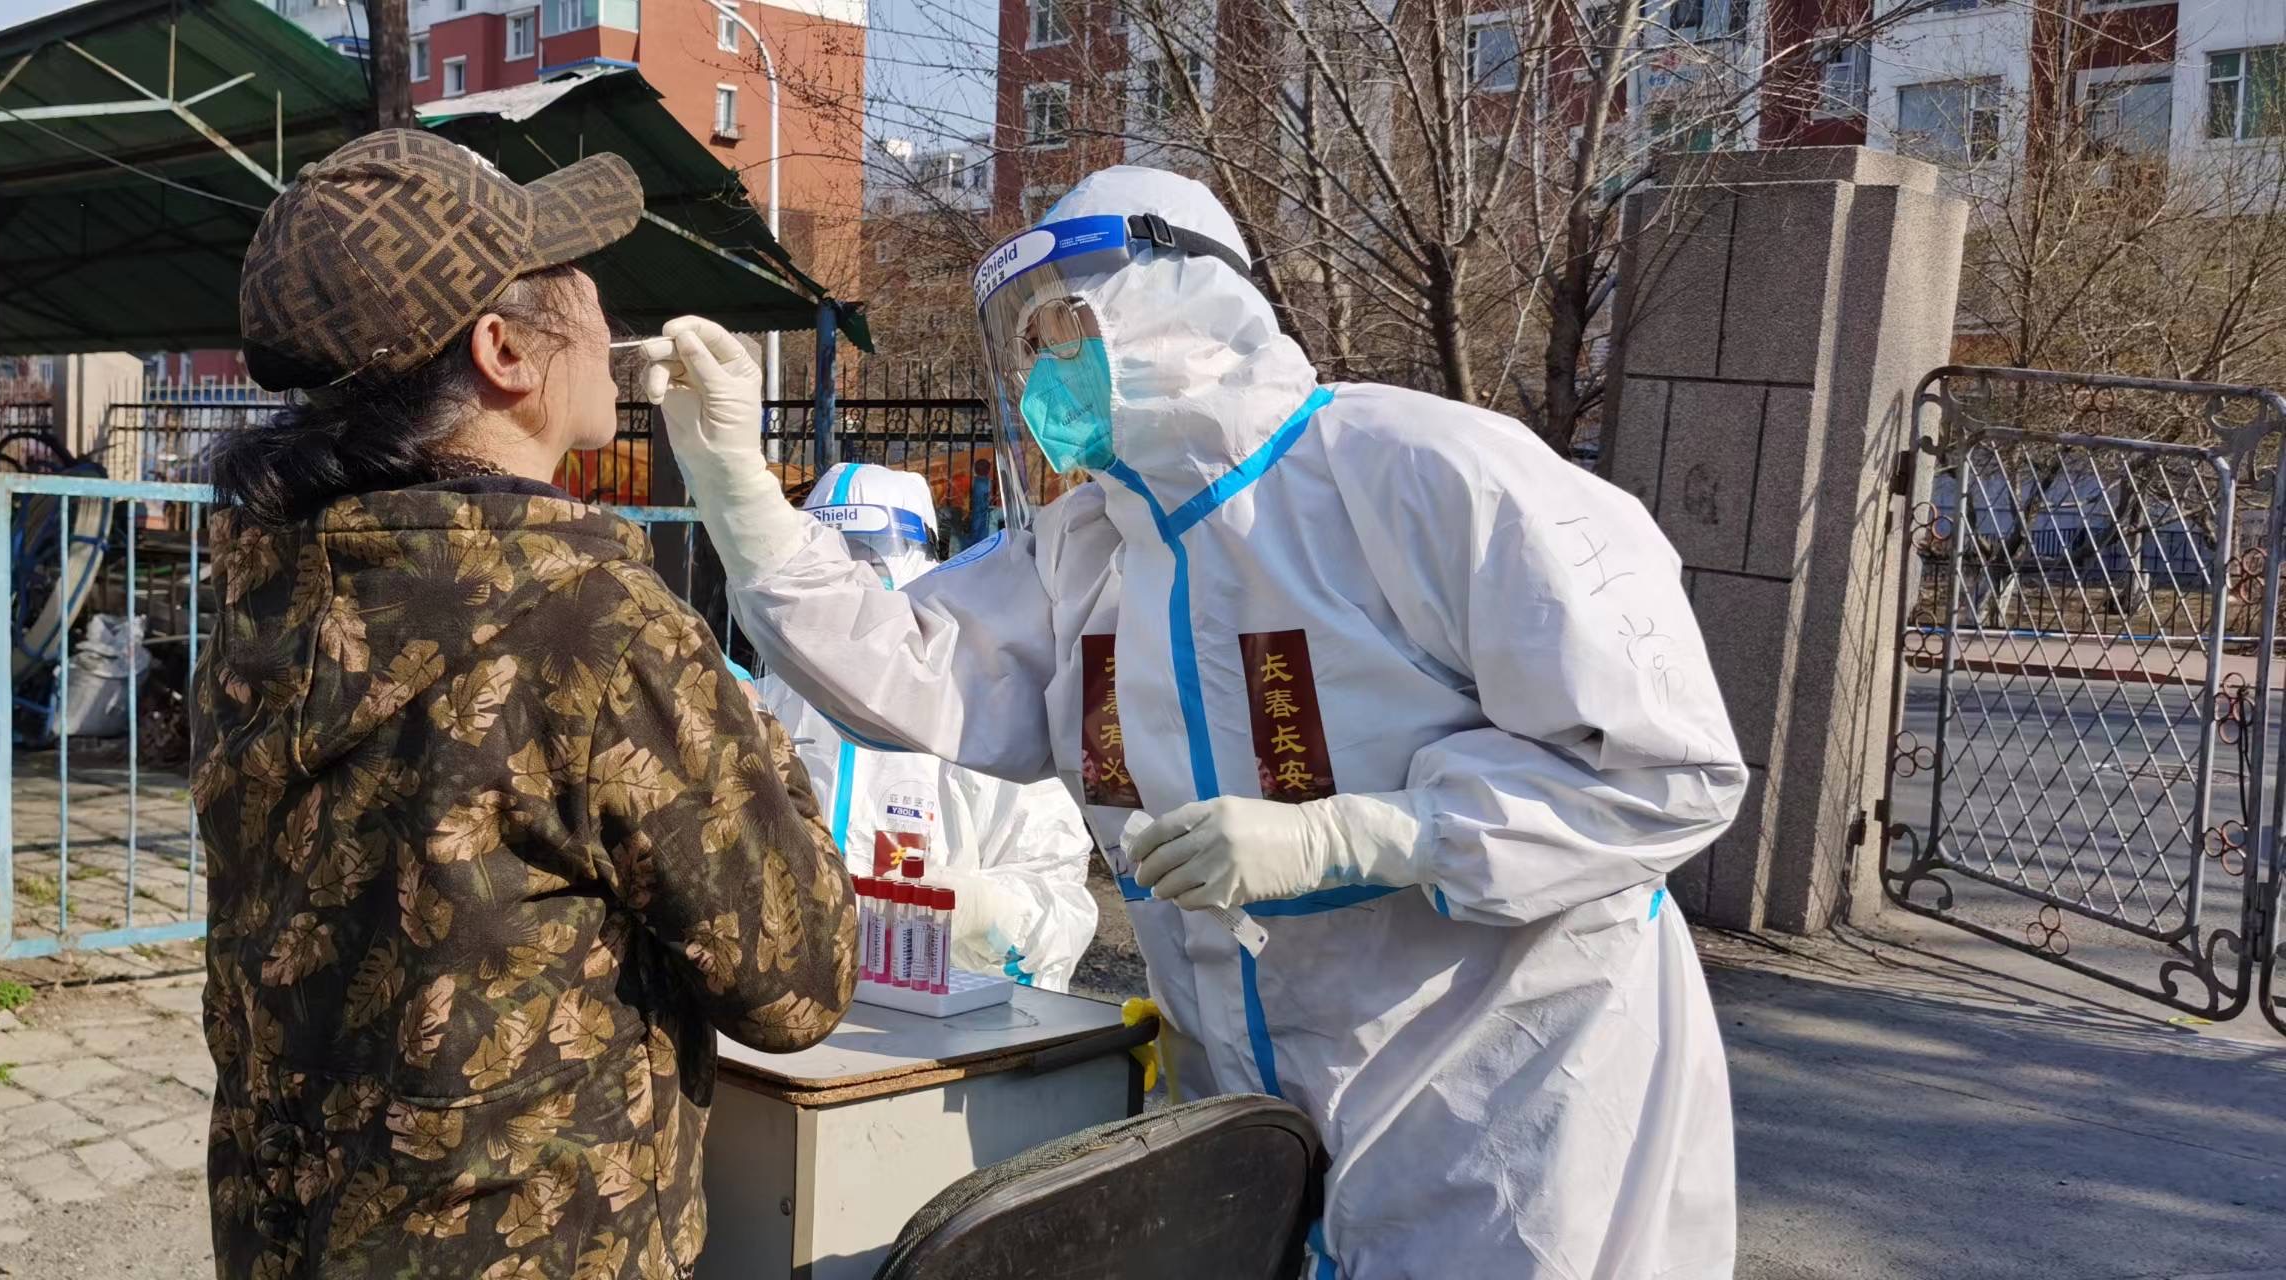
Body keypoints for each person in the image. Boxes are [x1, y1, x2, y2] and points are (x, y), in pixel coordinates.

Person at [641, 166, 1746, 1278]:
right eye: (1026, 344)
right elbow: (911, 668)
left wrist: (1367, 835)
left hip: (1511, 1091)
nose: (1042, 370)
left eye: (1064, 326)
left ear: (1173, 301)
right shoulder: (1093, 550)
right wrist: (738, 489)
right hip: (1256, 1114)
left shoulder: (1415, 474)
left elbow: (1664, 766)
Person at [192, 129, 858, 1280]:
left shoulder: (266, 589)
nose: (606, 310)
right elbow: (798, 981)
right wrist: (745, 719)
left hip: (289, 1236)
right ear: (503, 351)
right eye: (572, 277)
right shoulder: (590, 622)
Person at [750, 462, 1098, 990]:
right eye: (832, 560)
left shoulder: (984, 712)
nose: (851, 587)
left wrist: (983, 910)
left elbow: (1060, 901)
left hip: (942, 1023)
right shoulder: (771, 702)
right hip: (787, 1012)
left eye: (870, 556)